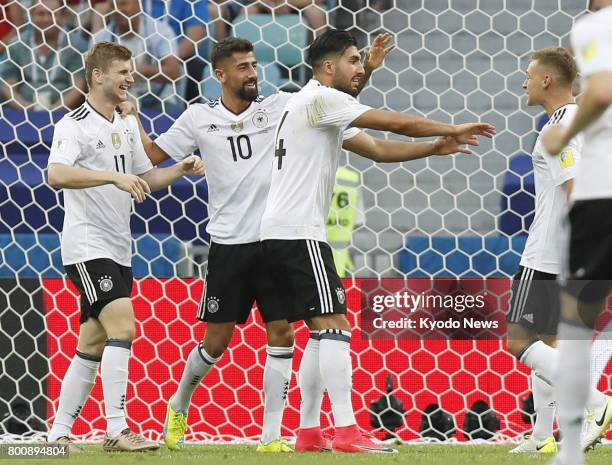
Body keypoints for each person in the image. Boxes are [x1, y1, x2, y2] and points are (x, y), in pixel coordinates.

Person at [121, 33, 394, 453]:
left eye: (254, 65)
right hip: (228, 243)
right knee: (216, 342)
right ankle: (179, 402)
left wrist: (368, 68)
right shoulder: (197, 117)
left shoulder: (282, 104)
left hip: (274, 239)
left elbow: (337, 97)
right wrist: (132, 117)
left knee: (282, 333)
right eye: (244, 67)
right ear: (220, 75)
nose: (253, 73)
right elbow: (155, 156)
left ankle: (271, 437)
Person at [259, 28, 495, 453]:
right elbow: (396, 123)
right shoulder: (321, 100)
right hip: (298, 232)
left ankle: (310, 432)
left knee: (317, 330)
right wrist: (452, 127)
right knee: (334, 326)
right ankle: (348, 431)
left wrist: (432, 149)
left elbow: (378, 150)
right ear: (327, 66)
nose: (359, 66)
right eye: (352, 60)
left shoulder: (309, 104)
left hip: (279, 231)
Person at [45, 41, 204, 452]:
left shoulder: (127, 124)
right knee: (124, 327)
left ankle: (57, 435)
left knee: (93, 342)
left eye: (130, 72)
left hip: (119, 247)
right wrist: (110, 178)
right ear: (97, 76)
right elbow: (56, 174)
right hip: (86, 245)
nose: (131, 78)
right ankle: (116, 430)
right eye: (122, 71)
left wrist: (180, 169)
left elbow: (146, 179)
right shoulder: (73, 124)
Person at [542, 1, 612, 464]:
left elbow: (602, 92)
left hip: (602, 192)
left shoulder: (595, 25)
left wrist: (562, 137)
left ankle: (572, 449)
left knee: (575, 319)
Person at [505, 47, 582, 454]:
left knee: (518, 342)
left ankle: (595, 404)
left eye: (530, 74)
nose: (525, 81)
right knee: (548, 343)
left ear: (547, 80)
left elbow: (575, 189)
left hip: (547, 253)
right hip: (566, 253)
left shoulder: (562, 124)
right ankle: (541, 436)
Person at [92, 0, 182, 110]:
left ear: (138, 5)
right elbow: (93, 81)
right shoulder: (100, 38)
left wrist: (142, 71)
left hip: (160, 102)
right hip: (116, 104)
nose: (118, 10)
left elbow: (174, 72)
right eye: (113, 5)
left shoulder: (161, 31)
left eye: (123, 4)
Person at [0, 0, 85, 110]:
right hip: (21, 113)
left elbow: (78, 88)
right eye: (41, 14)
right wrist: (26, 109)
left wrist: (53, 112)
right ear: (31, 15)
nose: (46, 19)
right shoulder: (17, 44)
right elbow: (8, 85)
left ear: (63, 16)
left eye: (52, 14)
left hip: (64, 115)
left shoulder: (76, 44)